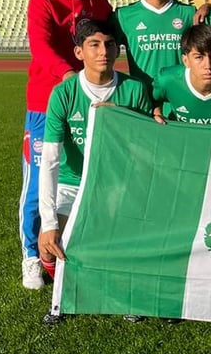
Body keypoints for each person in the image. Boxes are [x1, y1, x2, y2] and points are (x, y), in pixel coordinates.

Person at [21, 0, 112, 290]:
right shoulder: (42, 1)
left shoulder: (99, 1)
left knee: (87, 178)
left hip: (91, 102)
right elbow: (40, 46)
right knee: (37, 184)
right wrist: (70, 76)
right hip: (46, 104)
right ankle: (31, 255)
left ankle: (84, 251)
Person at [37, 19, 155, 281]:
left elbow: (146, 152)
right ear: (79, 52)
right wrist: (48, 224)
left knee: (127, 245)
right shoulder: (64, 94)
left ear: (118, 49)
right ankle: (62, 282)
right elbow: (50, 161)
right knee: (48, 244)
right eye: (94, 45)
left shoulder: (133, 90)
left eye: (110, 44)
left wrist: (121, 119)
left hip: (117, 183)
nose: (103, 52)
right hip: (72, 184)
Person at [114, 0, 196, 89]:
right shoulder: (123, 15)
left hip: (179, 93)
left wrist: (209, 6)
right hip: (141, 93)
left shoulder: (189, 13)